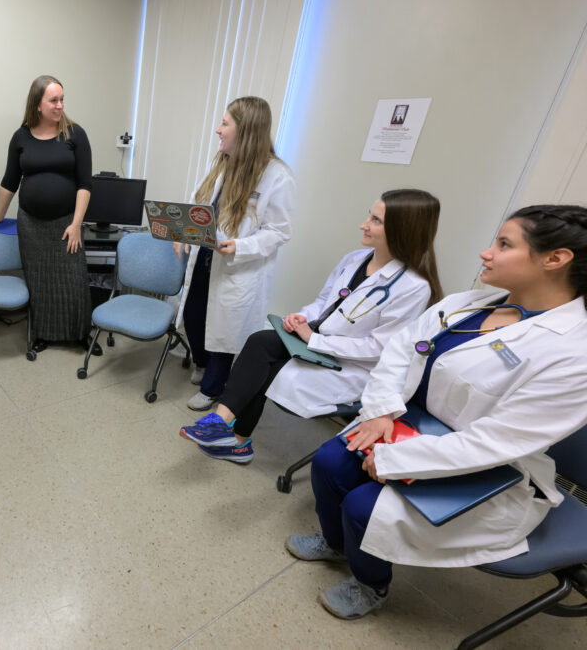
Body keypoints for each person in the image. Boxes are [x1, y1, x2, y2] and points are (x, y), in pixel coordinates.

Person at [285, 204, 587, 620]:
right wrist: (379, 412)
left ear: (555, 259)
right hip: (403, 422)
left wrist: (394, 458)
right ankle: (336, 546)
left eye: (503, 244)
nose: (486, 253)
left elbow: (497, 442)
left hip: (490, 466)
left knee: (365, 508)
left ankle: (370, 585)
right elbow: (400, 350)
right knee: (330, 463)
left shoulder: (572, 353)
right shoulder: (470, 303)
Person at [180, 190, 443, 463]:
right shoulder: (355, 259)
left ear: (403, 230)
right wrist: (302, 318)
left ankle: (238, 441)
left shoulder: (414, 287)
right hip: (318, 341)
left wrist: (315, 340)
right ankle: (220, 425)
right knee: (260, 341)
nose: (364, 224)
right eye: (369, 215)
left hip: (350, 364)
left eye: (376, 220)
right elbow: (323, 303)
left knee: (266, 366)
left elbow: (379, 349)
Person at [174, 96, 296, 411]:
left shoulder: (277, 176)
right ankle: (200, 363)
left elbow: (279, 231)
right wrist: (182, 233)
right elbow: (200, 202)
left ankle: (213, 387)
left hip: (237, 264)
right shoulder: (224, 162)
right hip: (205, 254)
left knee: (225, 328)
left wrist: (241, 246)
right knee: (194, 314)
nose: (218, 129)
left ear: (246, 131)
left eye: (225, 123)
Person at [0, 74, 97, 354]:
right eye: (53, 100)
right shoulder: (21, 137)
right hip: (31, 224)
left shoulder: (75, 134)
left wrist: (76, 224)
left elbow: (85, 184)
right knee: (40, 280)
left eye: (62, 99)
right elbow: (9, 181)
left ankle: (81, 334)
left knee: (73, 281)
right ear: (37, 104)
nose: (59, 105)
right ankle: (43, 333)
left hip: (66, 223)